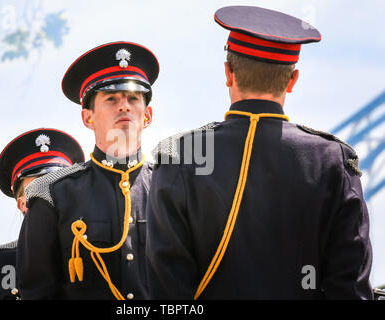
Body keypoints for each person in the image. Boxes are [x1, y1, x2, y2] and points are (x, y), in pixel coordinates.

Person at [146, 5, 373, 299]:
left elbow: (168, 291)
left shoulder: (180, 155)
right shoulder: (333, 161)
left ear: (228, 73)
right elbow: (350, 287)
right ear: (293, 81)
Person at [16, 41, 159, 300]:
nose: (124, 106)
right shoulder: (52, 193)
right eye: (112, 99)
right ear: (88, 117)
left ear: (147, 115)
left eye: (133, 98)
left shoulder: (175, 188)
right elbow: (38, 291)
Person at [0, 128, 84, 300]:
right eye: (40, 188)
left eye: (62, 185)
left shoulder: (100, 248)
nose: (54, 193)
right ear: (22, 203)